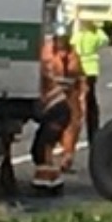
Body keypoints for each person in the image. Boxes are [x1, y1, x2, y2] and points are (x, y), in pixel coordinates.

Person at [32, 37, 72, 194]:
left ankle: (48, 182)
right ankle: (51, 180)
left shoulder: (39, 72)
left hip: (58, 111)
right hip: (56, 110)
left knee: (43, 147)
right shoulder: (41, 69)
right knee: (42, 147)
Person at [50, 24, 85, 173]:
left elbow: (81, 77)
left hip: (71, 96)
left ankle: (67, 156)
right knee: (52, 126)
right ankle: (48, 158)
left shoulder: (74, 56)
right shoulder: (48, 54)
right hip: (52, 96)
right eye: (59, 39)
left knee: (72, 125)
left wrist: (83, 95)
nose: (61, 42)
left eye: (64, 39)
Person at [70, 18, 109, 144]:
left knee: (77, 99)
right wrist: (97, 29)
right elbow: (105, 40)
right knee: (91, 102)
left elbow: (72, 44)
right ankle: (93, 131)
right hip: (91, 69)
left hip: (78, 69)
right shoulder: (94, 36)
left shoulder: (78, 36)